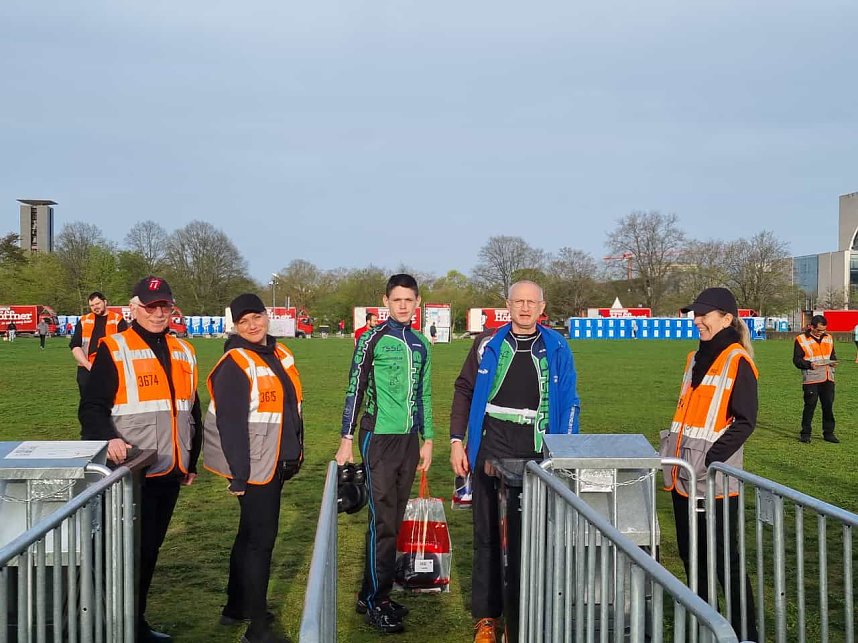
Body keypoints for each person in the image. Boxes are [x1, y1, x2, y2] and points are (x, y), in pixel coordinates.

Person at [449, 280, 580, 643]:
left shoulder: (557, 346)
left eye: (531, 302)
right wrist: (457, 441)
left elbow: (570, 400)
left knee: (531, 538)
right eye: (518, 302)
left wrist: (565, 451)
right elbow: (464, 390)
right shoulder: (486, 344)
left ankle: (522, 618)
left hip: (535, 446)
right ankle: (487, 618)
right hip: (491, 444)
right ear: (508, 305)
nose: (524, 308)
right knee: (487, 534)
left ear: (542, 307)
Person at [79, 276, 202, 643]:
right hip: (129, 472)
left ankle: (134, 622)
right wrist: (109, 438)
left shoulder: (184, 350)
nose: (159, 313)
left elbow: (191, 407)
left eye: (165, 306)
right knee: (121, 554)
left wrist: (191, 460)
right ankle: (112, 624)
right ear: (134, 308)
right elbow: (91, 408)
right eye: (151, 307)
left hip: (169, 470)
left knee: (148, 550)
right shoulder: (113, 348)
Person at [335, 274, 433, 634]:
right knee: (383, 521)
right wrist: (346, 438)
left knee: (391, 521)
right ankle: (378, 601)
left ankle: (371, 594)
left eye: (409, 300)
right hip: (377, 438)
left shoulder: (422, 343)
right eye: (397, 300)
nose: (403, 305)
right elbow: (354, 388)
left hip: (409, 441)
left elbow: (424, 396)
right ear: (386, 301)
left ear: (417, 302)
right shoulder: (371, 339)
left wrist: (429, 439)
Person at [661, 287, 759, 642]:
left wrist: (712, 461)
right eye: (695, 314)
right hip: (681, 479)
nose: (697, 320)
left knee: (725, 565)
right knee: (694, 561)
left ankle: (745, 634)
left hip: (715, 485)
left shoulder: (737, 360)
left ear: (727, 319)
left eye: (705, 314)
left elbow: (746, 421)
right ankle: (708, 630)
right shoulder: (693, 358)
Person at [204, 294, 303, 643]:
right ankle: (257, 628)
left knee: (248, 535)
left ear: (266, 316)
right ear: (234, 325)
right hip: (255, 467)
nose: (252, 325)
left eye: (256, 317)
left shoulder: (280, 354)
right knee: (261, 542)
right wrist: (239, 476)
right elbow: (230, 425)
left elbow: (291, 408)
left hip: (273, 459)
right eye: (243, 321)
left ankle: (237, 606)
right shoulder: (234, 363)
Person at [69, 291, 128, 396]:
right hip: (86, 368)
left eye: (97, 304)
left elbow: (124, 346)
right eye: (92, 305)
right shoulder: (84, 320)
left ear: (105, 302)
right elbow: (75, 345)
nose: (95, 307)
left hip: (110, 368)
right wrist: (87, 365)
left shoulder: (117, 320)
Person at [794, 314, 839, 443]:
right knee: (810, 406)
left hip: (828, 377)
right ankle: (805, 433)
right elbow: (796, 360)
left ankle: (829, 433)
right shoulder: (801, 339)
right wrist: (809, 364)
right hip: (812, 378)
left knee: (828, 406)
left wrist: (833, 361)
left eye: (824, 330)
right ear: (811, 327)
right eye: (819, 330)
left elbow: (832, 354)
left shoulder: (829, 338)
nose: (821, 333)